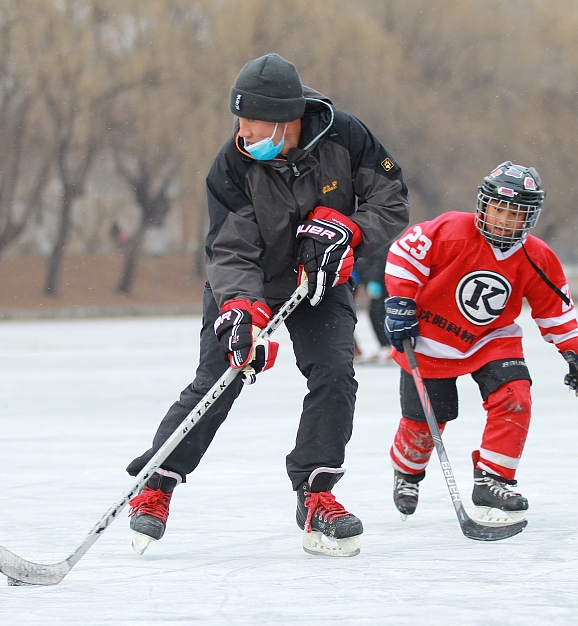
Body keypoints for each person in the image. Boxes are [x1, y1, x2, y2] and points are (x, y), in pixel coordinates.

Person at [124, 54, 410, 557]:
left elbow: (391, 199)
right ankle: (156, 484)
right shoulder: (232, 166)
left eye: (250, 120)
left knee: (335, 373)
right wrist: (240, 309)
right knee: (220, 378)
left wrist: (351, 233)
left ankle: (317, 494)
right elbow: (231, 249)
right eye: (238, 119)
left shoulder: (347, 137)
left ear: (286, 117)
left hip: (319, 281)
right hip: (247, 283)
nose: (242, 129)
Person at [382, 162, 578, 521]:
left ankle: (493, 479)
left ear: (528, 218)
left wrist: (574, 349)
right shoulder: (451, 229)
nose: (502, 219)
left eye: (514, 213)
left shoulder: (537, 256)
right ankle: (407, 473)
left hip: (492, 339)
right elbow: (404, 255)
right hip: (430, 337)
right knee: (425, 421)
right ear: (484, 205)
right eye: (498, 208)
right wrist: (401, 301)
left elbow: (553, 309)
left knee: (515, 398)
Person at [353, 249, 394, 364]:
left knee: (379, 312)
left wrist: (373, 280)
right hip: (368, 278)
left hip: (380, 281)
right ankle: (384, 346)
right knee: (374, 312)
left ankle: (388, 346)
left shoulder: (379, 244)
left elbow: (379, 262)